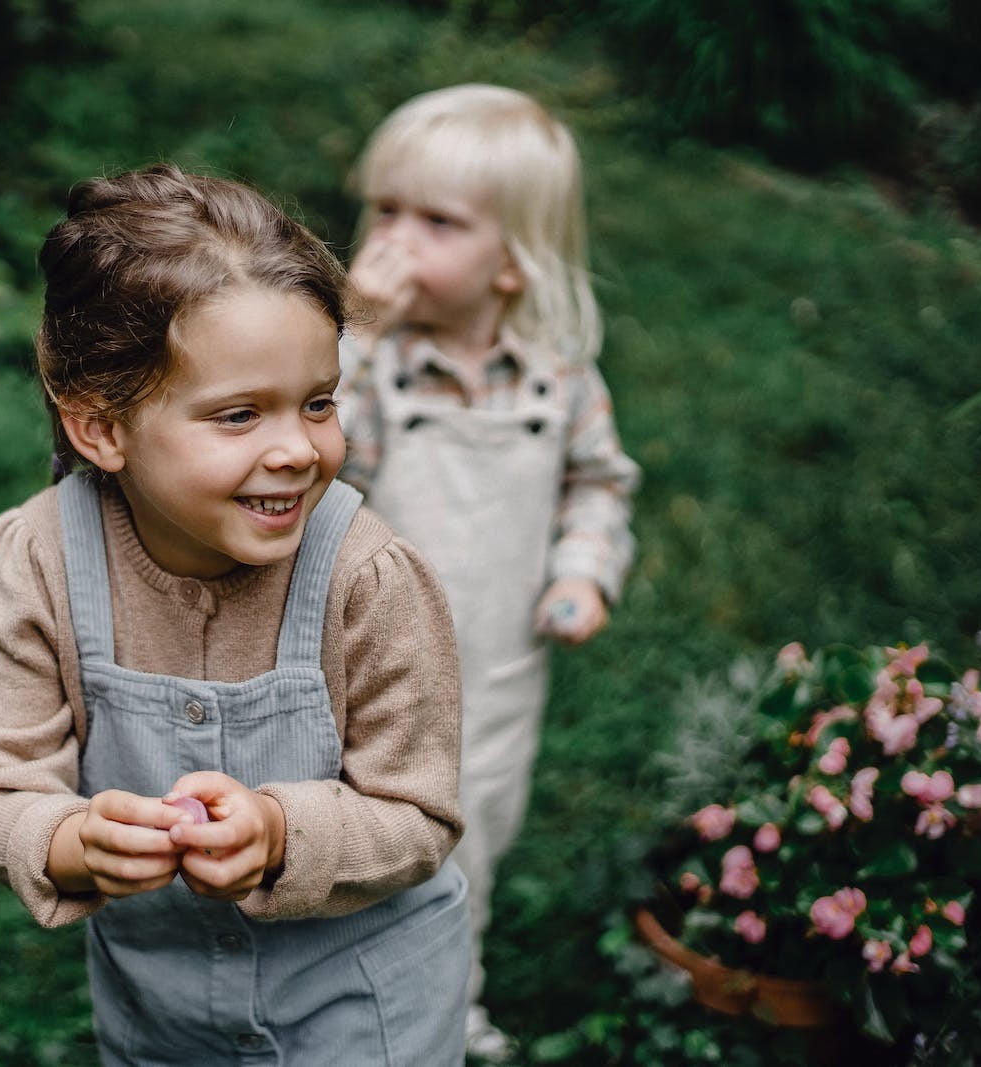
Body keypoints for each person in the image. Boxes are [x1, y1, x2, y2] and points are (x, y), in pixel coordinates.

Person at [0, 162, 472, 1065]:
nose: (298, 450)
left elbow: (417, 812)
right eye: (239, 415)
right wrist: (71, 841)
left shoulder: (371, 576)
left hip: (363, 999)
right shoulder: (33, 564)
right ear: (102, 428)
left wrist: (279, 833)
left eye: (318, 403)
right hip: (161, 1008)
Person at [337, 84, 641, 1063]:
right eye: (383, 209)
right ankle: (331, 995)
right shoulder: (371, 367)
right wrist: (351, 331)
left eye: (434, 220)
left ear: (511, 263)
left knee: (468, 844)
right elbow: (310, 464)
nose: (392, 238)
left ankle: (445, 998)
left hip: (497, 675)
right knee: (353, 837)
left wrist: (582, 570)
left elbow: (598, 485)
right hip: (359, 667)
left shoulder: (560, 379)